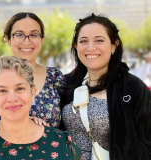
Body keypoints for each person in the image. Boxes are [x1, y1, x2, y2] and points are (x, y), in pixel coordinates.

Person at [0, 56, 82, 160]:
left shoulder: (64, 145)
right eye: (2, 91)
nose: (12, 98)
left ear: (32, 93)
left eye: (20, 88)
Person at [61, 13, 151, 160]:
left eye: (99, 40)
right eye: (84, 41)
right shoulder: (66, 84)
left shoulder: (133, 87)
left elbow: (147, 141)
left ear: (114, 45)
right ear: (76, 46)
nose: (91, 47)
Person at [0, 12, 66, 128]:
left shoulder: (55, 77)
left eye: (33, 35)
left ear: (42, 39)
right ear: (8, 39)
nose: (27, 42)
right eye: (19, 35)